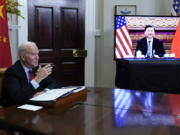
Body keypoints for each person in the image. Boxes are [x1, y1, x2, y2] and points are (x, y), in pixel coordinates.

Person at [1, 41, 59, 107]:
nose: (37, 57)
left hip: (34, 106)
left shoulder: (36, 68)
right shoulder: (12, 72)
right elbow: (17, 98)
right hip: (14, 109)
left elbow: (53, 84)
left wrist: (44, 92)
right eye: (33, 54)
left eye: (37, 54)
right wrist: (37, 79)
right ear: (23, 57)